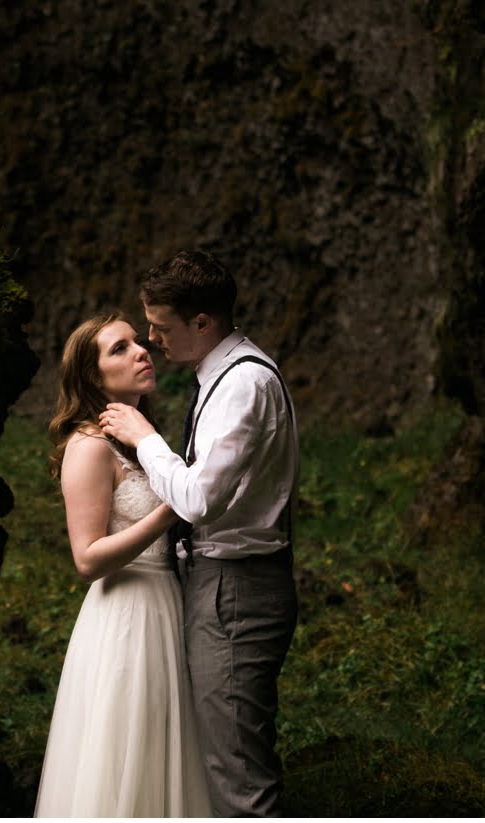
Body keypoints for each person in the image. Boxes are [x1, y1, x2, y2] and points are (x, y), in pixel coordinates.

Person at [99, 250, 300, 817]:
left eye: (161, 328)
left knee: (238, 775)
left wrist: (144, 438)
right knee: (221, 757)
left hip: (236, 590)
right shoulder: (222, 375)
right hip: (224, 583)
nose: (152, 340)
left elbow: (198, 498)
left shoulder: (242, 385)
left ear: (203, 323)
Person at [33, 311, 212, 818]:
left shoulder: (138, 440)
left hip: (166, 604)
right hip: (126, 615)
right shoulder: (89, 447)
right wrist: (169, 512)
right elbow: (87, 559)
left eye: (138, 341)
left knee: (164, 748)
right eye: (120, 348)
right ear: (93, 377)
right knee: (127, 750)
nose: (141, 351)